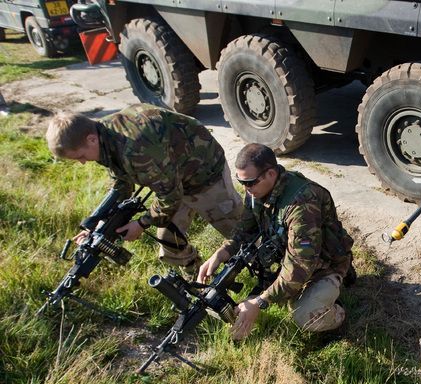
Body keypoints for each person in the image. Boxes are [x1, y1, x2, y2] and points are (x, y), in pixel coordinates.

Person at [45, 104, 243, 276]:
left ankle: (269, 274)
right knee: (169, 240)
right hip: (172, 176)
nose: (82, 162)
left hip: (203, 172)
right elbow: (122, 184)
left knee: (242, 233)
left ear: (91, 139)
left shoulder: (134, 148)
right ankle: (197, 277)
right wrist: (97, 224)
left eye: (80, 156)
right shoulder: (103, 136)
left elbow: (170, 197)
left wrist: (141, 224)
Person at [198, 143, 354, 340]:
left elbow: (300, 267)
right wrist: (222, 253)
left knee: (304, 316)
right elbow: (244, 230)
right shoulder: (256, 192)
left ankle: (337, 313)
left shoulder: (302, 204)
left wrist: (260, 302)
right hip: (288, 257)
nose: (245, 189)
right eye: (241, 182)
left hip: (323, 266)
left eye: (250, 182)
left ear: (271, 174)